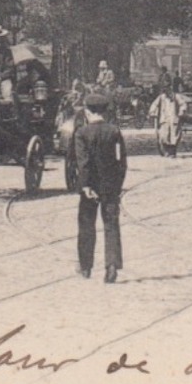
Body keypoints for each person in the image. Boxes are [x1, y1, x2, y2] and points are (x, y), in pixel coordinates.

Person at [72, 94, 128, 283]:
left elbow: (83, 163)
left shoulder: (81, 133)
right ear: (104, 111)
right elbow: (122, 161)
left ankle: (86, 266)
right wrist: (118, 185)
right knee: (111, 225)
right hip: (110, 187)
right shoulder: (114, 132)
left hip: (90, 188)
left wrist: (86, 185)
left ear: (87, 111)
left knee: (86, 225)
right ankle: (111, 266)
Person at [149, 86, 182, 158]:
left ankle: (173, 152)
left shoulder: (176, 97)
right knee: (164, 136)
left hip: (174, 119)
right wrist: (152, 111)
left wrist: (181, 111)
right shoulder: (161, 97)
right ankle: (167, 151)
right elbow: (154, 104)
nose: (167, 94)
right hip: (164, 119)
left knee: (174, 136)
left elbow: (182, 104)